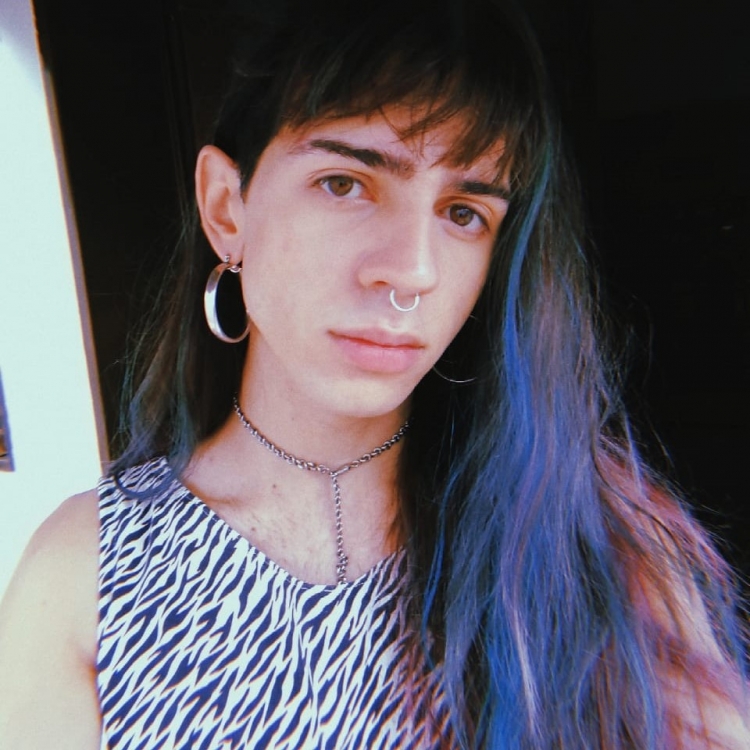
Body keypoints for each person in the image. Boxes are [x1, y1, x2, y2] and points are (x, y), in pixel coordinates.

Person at [0, 0, 747, 747]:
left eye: (463, 212)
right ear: (227, 209)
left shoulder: (598, 548)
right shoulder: (86, 576)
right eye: (345, 183)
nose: (412, 271)